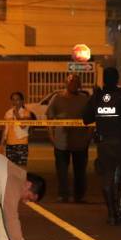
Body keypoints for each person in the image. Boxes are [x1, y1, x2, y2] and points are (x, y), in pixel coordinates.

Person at [82, 67, 121, 225]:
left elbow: (86, 118)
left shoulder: (98, 97)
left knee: (107, 179)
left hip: (105, 144)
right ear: (117, 79)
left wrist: (95, 98)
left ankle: (112, 215)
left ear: (103, 80)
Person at [48, 74, 92, 203]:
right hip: (61, 142)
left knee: (80, 171)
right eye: (71, 81)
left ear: (79, 84)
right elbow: (49, 118)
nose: (73, 84)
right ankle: (63, 194)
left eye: (76, 82)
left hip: (80, 142)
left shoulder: (85, 100)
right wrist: (51, 136)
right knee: (62, 171)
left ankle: (79, 196)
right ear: (65, 83)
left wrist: (88, 136)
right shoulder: (57, 99)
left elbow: (92, 120)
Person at [1, 91, 34, 167]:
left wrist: (16, 114)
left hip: (21, 144)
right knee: (11, 169)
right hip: (9, 144)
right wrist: (2, 144)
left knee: (21, 169)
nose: (15, 102)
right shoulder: (8, 113)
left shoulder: (27, 113)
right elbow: (5, 129)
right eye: (13, 99)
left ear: (22, 101)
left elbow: (23, 126)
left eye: (17, 99)